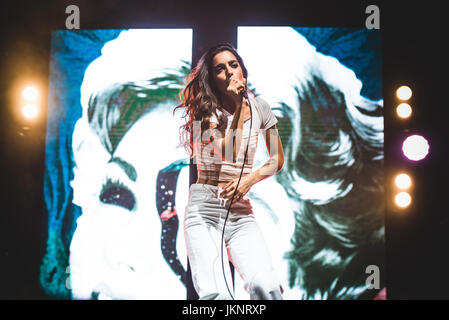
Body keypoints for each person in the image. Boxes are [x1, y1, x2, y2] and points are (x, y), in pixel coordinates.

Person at [174, 43, 285, 300]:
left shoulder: (262, 108)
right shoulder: (205, 111)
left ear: (242, 70)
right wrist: (237, 106)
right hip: (205, 208)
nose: (229, 72)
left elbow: (277, 158)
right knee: (216, 295)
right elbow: (229, 151)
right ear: (212, 80)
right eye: (220, 69)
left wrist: (250, 179)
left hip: (240, 209)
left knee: (266, 287)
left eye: (233, 65)